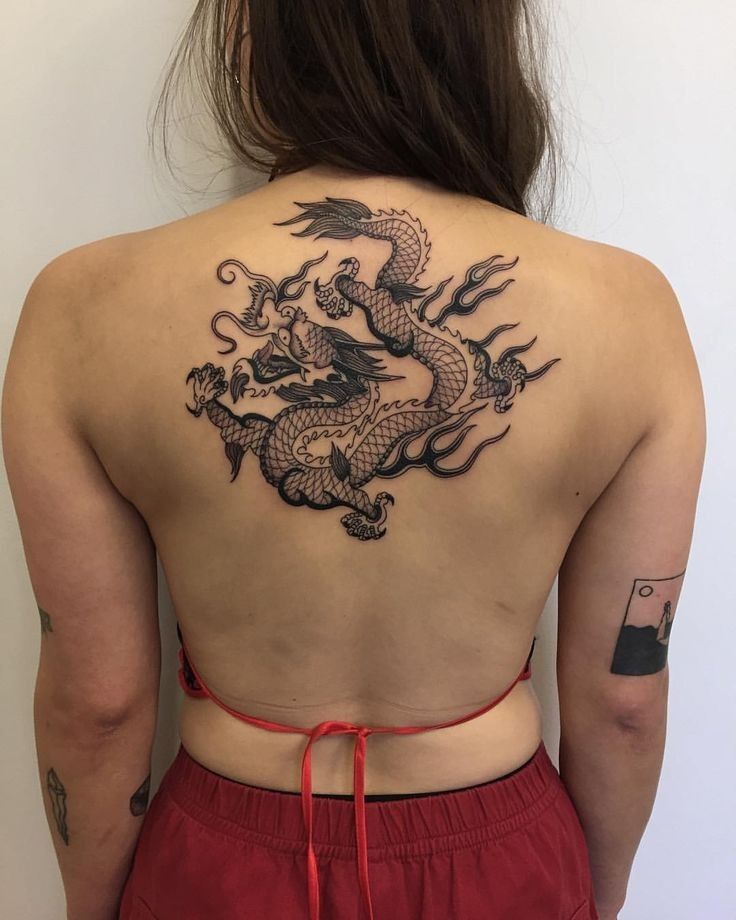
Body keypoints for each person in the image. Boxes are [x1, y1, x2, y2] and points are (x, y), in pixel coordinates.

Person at [1, 2, 705, 919]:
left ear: (258, 31)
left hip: (225, 864)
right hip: (501, 859)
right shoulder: (630, 312)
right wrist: (592, 900)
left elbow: (96, 705)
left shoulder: (81, 307)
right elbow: (626, 700)